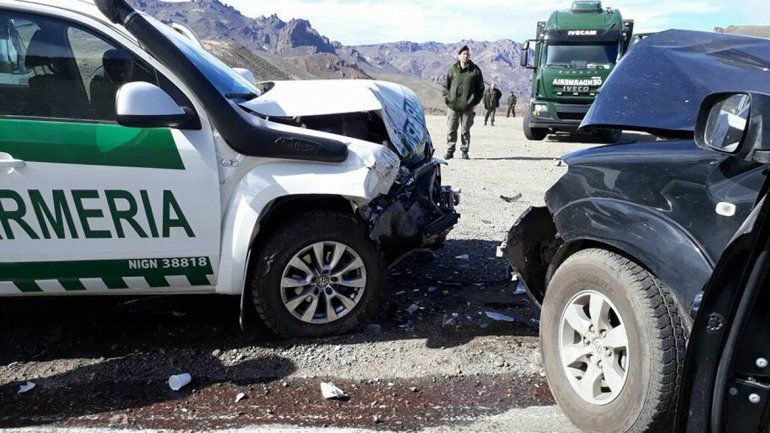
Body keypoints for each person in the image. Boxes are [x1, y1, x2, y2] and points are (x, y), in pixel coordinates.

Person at [443, 45, 484, 159]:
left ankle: (464, 150)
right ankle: (450, 151)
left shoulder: (475, 70)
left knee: (465, 130)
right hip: (453, 105)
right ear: (459, 56)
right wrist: (447, 98)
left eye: (467, 54)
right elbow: (446, 85)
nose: (466, 56)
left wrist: (474, 101)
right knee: (451, 128)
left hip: (467, 106)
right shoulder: (453, 69)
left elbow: (480, 88)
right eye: (463, 54)